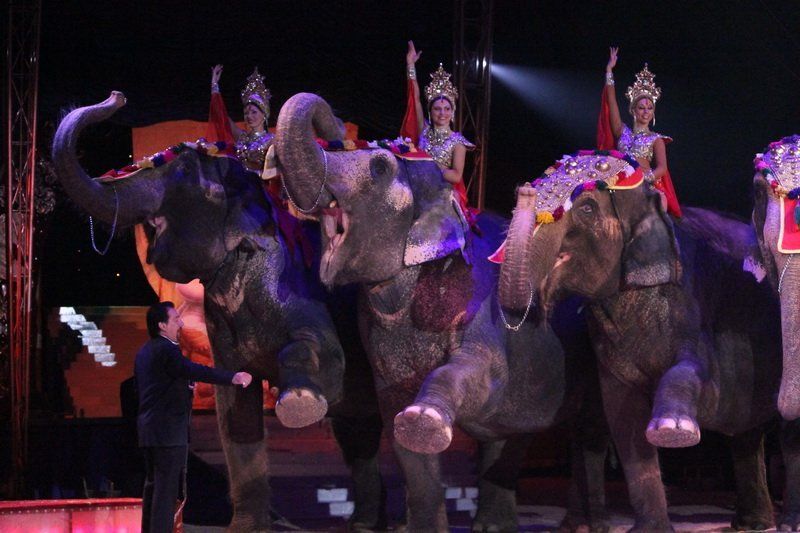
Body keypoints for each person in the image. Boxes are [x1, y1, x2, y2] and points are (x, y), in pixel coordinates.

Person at [136, 301, 252, 533]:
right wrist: (233, 377)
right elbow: (194, 369)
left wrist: (183, 388)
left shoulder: (145, 351)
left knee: (153, 486)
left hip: (150, 431)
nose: (180, 323)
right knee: (165, 491)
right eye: (175, 319)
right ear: (162, 325)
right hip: (168, 432)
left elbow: (157, 386)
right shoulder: (167, 349)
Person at [598, 46, 682, 217]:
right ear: (633, 110)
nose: (646, 112)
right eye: (641, 107)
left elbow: (662, 168)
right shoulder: (622, 131)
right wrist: (609, 72)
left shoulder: (656, 139)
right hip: (618, 180)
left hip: (643, 183)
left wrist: (642, 179)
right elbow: (611, 102)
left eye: (650, 108)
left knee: (657, 203)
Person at [403, 41, 477, 222]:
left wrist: (429, 165)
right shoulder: (424, 129)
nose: (442, 113)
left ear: (452, 112)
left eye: (446, 109)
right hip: (415, 186)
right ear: (430, 111)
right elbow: (415, 99)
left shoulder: (458, 142)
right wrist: (411, 65)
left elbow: (456, 176)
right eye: (437, 109)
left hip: (441, 193)